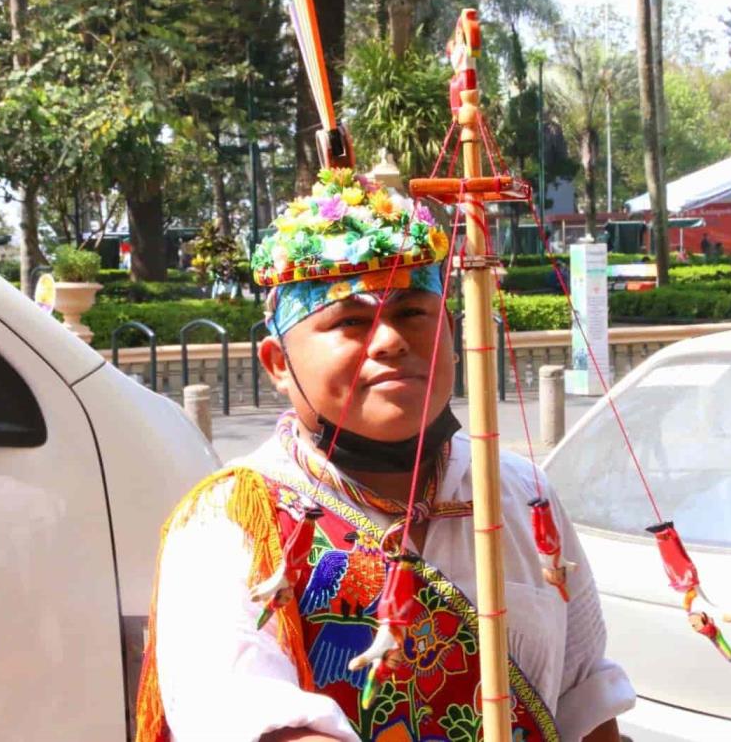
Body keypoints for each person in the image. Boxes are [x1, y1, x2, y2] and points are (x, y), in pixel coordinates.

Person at [135, 168, 635, 741]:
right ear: (278, 364)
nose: (391, 341)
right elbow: (245, 716)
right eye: (350, 321)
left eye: (412, 314)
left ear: (449, 330)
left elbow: (585, 699)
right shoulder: (231, 519)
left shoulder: (521, 493)